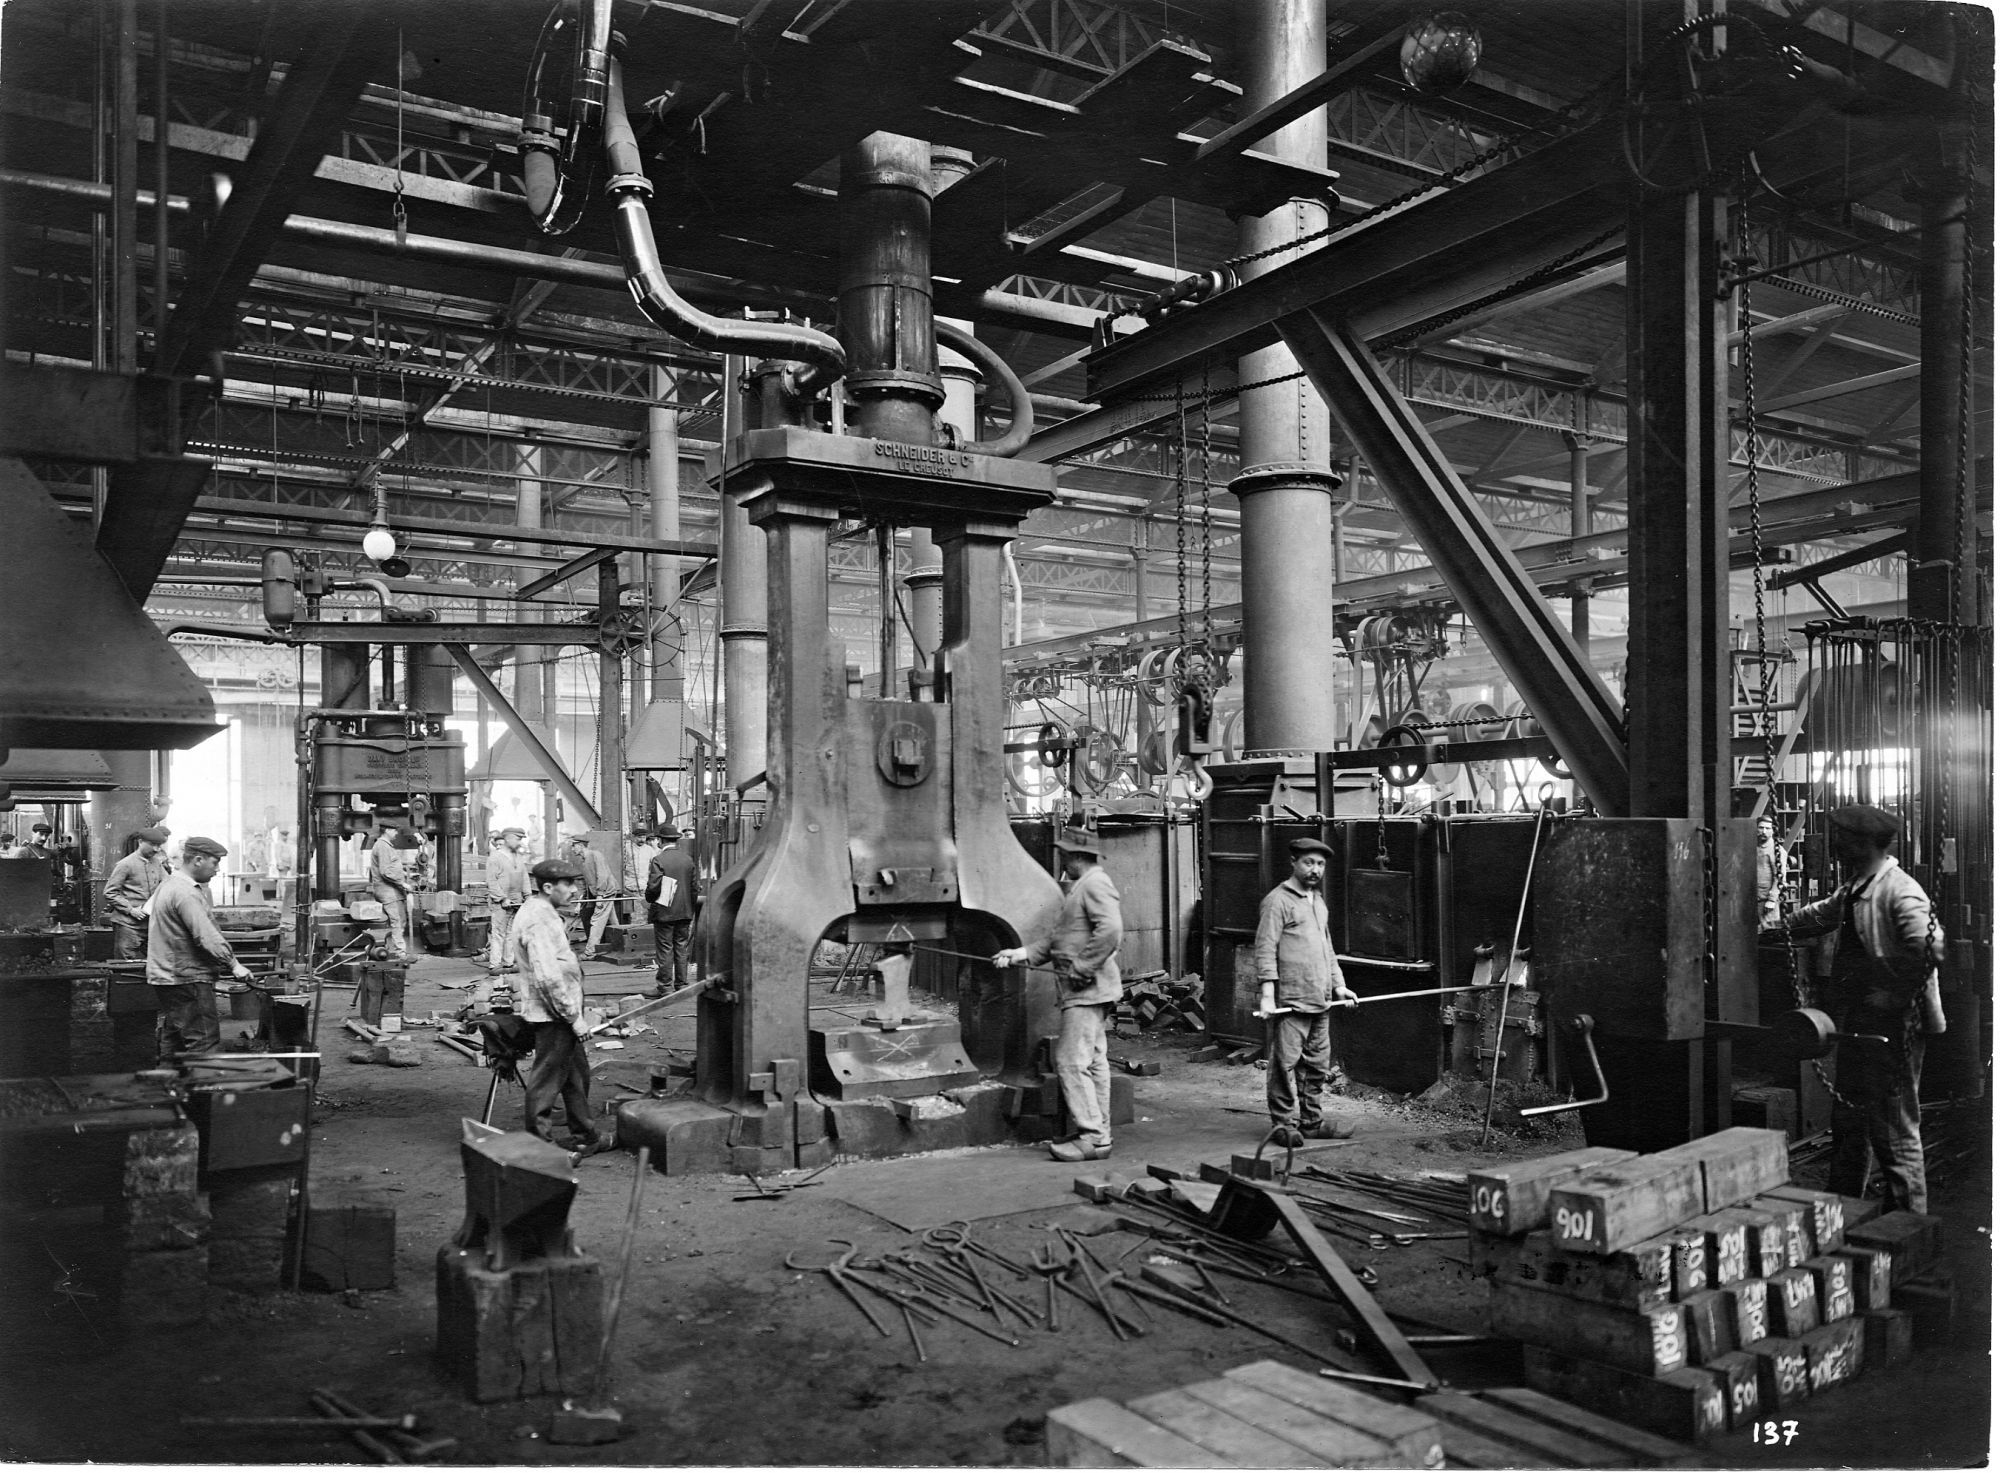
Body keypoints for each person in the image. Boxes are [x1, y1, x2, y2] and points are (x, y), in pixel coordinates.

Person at [1772, 804, 1946, 1214]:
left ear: (1862, 841)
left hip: (1896, 1023)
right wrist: (1775, 926)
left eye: (1841, 836)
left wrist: (1893, 994)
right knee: (1850, 1118)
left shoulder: (1899, 890)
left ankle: (1907, 1225)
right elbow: (1823, 913)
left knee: (1893, 1129)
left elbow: (1930, 947)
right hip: (1863, 1020)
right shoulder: (1858, 886)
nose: (1834, 844)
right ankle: (1844, 1211)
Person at [992, 830, 1123, 1163]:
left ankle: (1092, 1137)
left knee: (1069, 1061)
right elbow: (1059, 939)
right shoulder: (1083, 886)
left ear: (1077, 856)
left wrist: (1082, 967)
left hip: (1086, 989)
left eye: (1065, 855)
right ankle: (1099, 1135)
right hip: (1087, 988)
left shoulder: (1094, 884)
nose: (1062, 861)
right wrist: (1020, 953)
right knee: (1092, 1062)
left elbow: (1110, 931)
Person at [1254, 837, 1360, 1147]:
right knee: (1284, 1067)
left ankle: (1312, 1122)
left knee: (1316, 1066)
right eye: (1309, 863)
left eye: (1321, 864)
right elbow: (1264, 949)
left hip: (1320, 1000)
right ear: (1294, 863)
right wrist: (1268, 995)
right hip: (1290, 1001)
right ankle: (1283, 1125)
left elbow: (1327, 949)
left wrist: (1339, 985)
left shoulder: (1318, 902)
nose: (1315, 870)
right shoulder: (1277, 901)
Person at [513, 856, 608, 1158]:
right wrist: (573, 1018)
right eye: (568, 884)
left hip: (561, 1013)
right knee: (547, 1080)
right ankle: (540, 1148)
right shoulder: (538, 918)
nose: (574, 890)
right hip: (553, 1015)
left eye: (575, 883)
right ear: (547, 886)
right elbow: (547, 977)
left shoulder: (546, 912)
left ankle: (585, 1136)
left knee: (576, 1075)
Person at [147, 835, 254, 1058]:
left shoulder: (169, 885)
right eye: (214, 863)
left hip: (169, 976)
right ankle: (203, 1091)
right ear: (197, 860)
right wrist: (234, 965)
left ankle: (170, 1088)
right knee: (203, 1041)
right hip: (188, 977)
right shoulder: (185, 893)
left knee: (175, 1039)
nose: (217, 869)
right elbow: (206, 936)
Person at [645, 826, 701, 992]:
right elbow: (694, 888)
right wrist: (689, 909)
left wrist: (649, 898)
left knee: (665, 949)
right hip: (684, 912)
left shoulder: (659, 860)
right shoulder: (688, 860)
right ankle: (682, 984)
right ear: (676, 840)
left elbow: (653, 887)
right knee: (681, 947)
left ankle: (665, 987)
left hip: (664, 912)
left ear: (661, 841)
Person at [104, 825, 172, 959]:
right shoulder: (125, 864)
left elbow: (167, 883)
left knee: (156, 960)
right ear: (140, 842)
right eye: (153, 845)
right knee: (125, 962)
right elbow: (110, 892)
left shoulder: (156, 863)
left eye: (159, 846)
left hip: (150, 924)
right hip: (128, 925)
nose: (156, 849)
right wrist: (130, 910)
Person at [369, 825, 426, 958]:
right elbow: (386, 872)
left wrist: (408, 876)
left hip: (392, 891)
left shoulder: (385, 846)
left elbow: (391, 869)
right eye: (394, 830)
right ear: (387, 830)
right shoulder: (382, 846)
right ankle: (400, 954)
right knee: (397, 922)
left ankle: (391, 950)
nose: (396, 833)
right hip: (389, 892)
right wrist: (403, 884)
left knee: (398, 921)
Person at [486, 827, 531, 973]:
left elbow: (524, 877)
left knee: (512, 933)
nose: (519, 842)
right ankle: (495, 965)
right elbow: (491, 881)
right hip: (501, 903)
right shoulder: (495, 857)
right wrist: (502, 898)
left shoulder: (518, 856)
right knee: (498, 933)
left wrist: (528, 895)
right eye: (517, 839)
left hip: (516, 900)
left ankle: (508, 963)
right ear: (508, 838)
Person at [571, 835, 620, 960]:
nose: (572, 849)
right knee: (613, 921)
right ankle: (621, 945)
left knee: (596, 921)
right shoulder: (584, 859)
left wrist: (600, 896)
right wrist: (582, 900)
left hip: (605, 893)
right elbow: (589, 882)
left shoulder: (595, 855)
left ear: (581, 845)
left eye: (573, 845)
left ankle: (590, 952)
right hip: (601, 893)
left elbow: (602, 875)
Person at [1754, 814, 1790, 930]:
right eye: (1761, 828)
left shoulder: (1777, 851)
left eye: (1767, 828)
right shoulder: (1752, 847)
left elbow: (1779, 877)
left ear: (1772, 830)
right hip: (1752, 900)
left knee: (1769, 934)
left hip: (1767, 903)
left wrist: (1772, 899)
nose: (1764, 831)